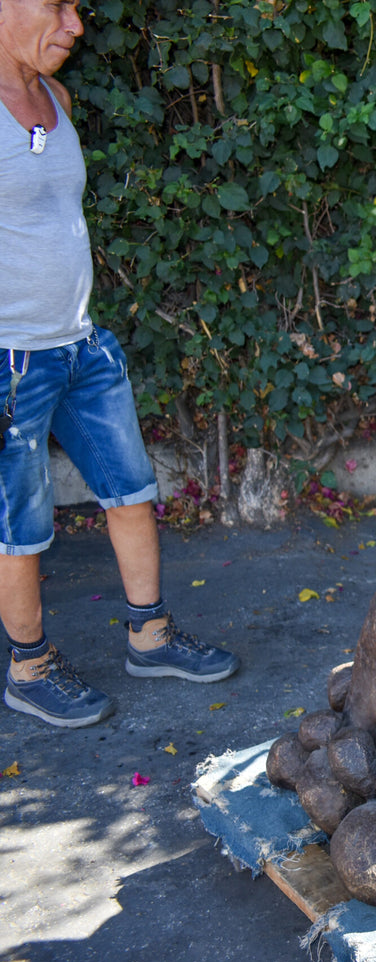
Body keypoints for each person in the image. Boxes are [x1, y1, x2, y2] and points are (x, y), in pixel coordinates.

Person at [1, 0, 238, 728]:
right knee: (20, 524)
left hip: (81, 345)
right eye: (57, 6)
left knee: (130, 489)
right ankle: (29, 669)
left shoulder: (56, 99)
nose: (74, 25)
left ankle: (150, 636)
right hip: (9, 359)